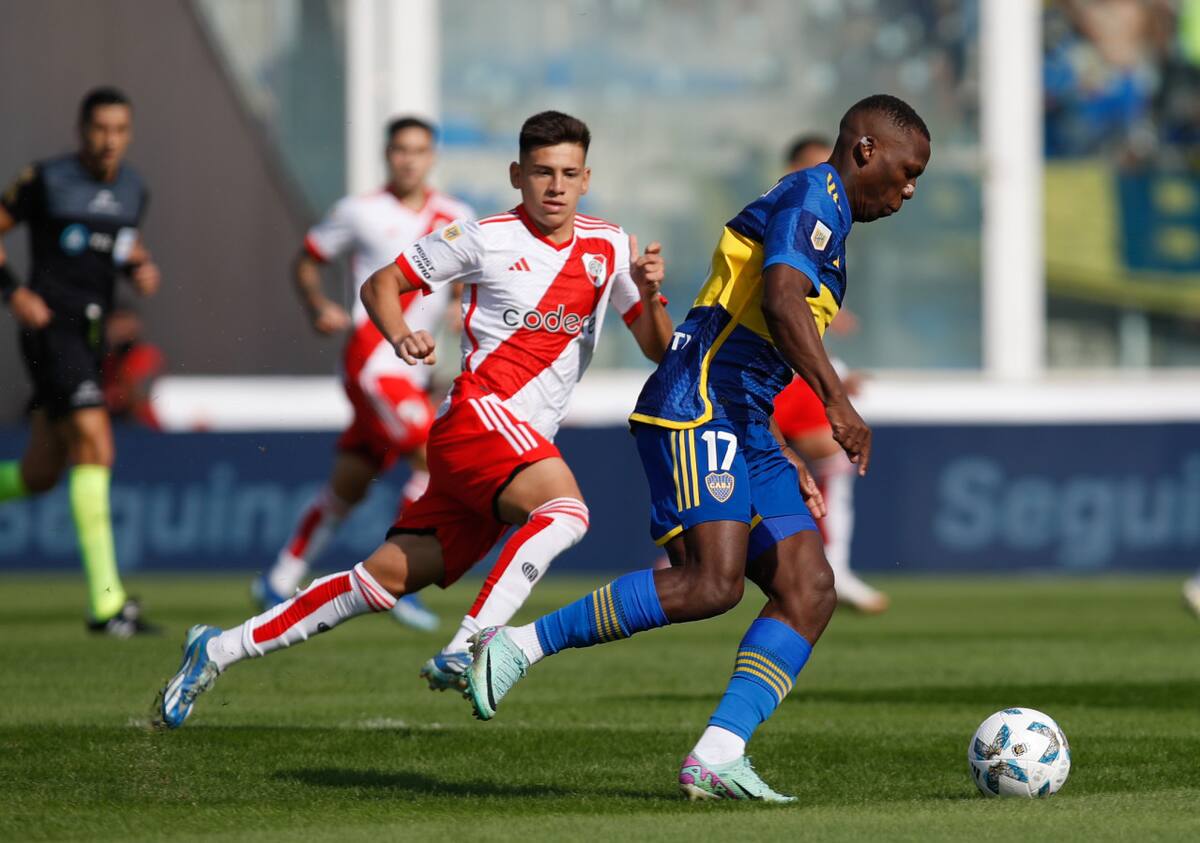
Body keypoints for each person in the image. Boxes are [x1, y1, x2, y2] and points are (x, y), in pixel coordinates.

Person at [465, 95, 931, 802]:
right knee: (712, 582)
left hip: (743, 416)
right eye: (905, 172)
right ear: (866, 151)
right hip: (697, 402)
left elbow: (758, 334)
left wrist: (781, 444)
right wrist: (838, 404)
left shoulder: (826, 214)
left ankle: (719, 752)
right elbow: (779, 300)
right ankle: (517, 644)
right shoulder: (815, 196)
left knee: (809, 587)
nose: (910, 190)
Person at [155, 110, 673, 728]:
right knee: (566, 513)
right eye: (541, 173)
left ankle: (216, 649)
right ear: (517, 174)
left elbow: (655, 346)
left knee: (377, 583)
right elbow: (381, 283)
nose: (554, 186)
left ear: (586, 178)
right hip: (480, 418)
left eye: (567, 173)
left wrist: (646, 292)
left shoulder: (611, 246)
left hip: (509, 451)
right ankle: (472, 645)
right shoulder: (482, 237)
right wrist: (400, 336)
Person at [250, 116, 472, 633]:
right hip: (372, 358)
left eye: (419, 150)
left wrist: (459, 308)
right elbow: (307, 259)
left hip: (415, 368)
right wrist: (317, 306)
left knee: (350, 482)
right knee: (433, 457)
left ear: (432, 156)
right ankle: (403, 579)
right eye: (400, 150)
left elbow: (460, 276)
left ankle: (279, 579)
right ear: (387, 155)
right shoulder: (359, 212)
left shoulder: (455, 215)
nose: (409, 160)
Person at [0, 87, 161, 637]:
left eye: (119, 130)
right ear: (81, 130)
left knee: (39, 474)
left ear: (130, 133)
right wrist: (13, 292)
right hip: (50, 330)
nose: (109, 140)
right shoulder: (45, 179)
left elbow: (116, 248)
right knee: (96, 443)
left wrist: (138, 267)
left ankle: (109, 605)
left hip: (90, 337)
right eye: (99, 129)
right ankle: (108, 605)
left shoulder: (135, 188)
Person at [773, 133, 888, 614]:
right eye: (812, 166)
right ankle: (833, 567)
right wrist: (835, 380)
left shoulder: (822, 222)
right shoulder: (792, 213)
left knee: (816, 459)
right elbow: (781, 308)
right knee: (832, 452)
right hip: (764, 368)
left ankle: (832, 567)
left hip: (778, 368)